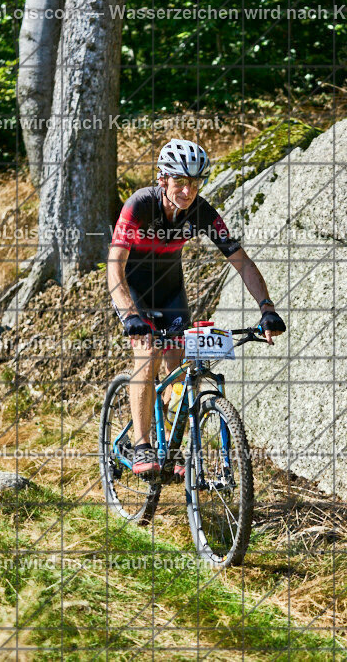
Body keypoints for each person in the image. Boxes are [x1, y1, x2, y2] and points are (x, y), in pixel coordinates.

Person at [107, 139, 286, 476]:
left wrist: (267, 308)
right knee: (148, 355)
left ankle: (170, 450)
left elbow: (241, 261)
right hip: (134, 290)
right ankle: (143, 444)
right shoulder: (140, 205)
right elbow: (115, 263)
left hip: (171, 291)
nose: (187, 191)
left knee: (178, 372)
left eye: (194, 183)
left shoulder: (201, 211)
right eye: (180, 182)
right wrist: (130, 313)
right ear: (162, 178)